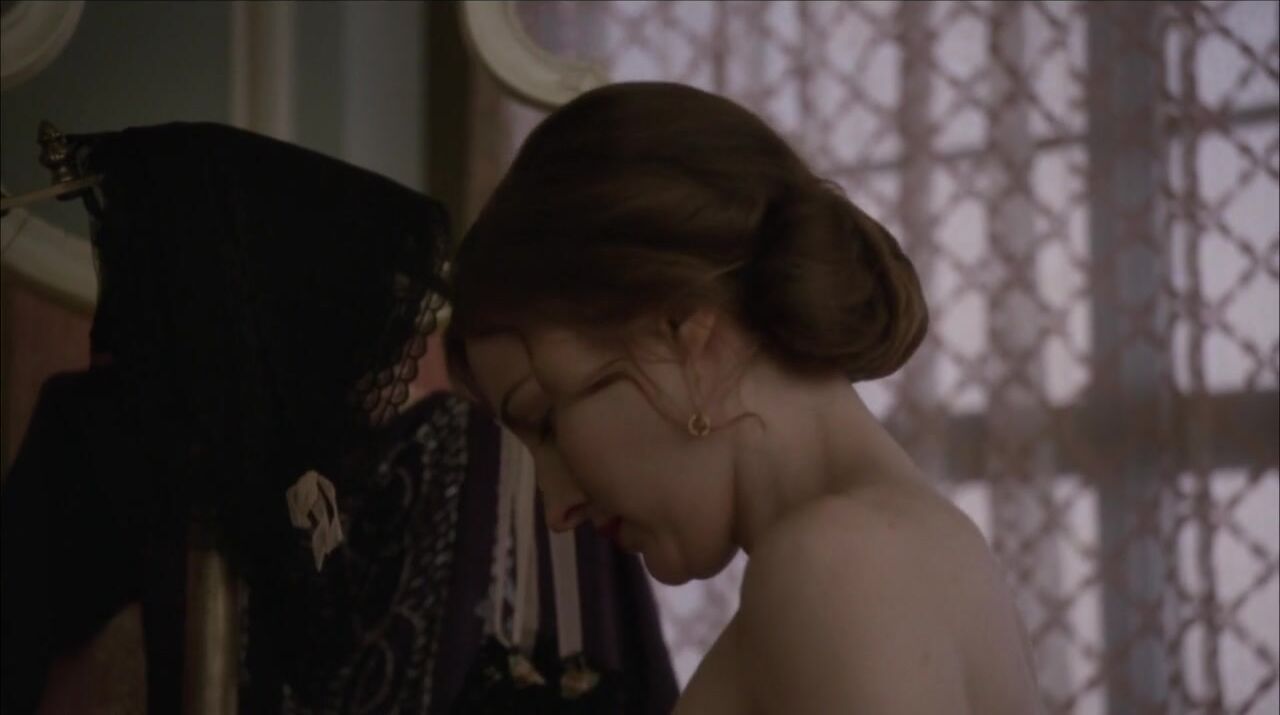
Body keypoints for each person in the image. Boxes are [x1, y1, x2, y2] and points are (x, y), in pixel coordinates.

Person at [444, 81, 1044, 714]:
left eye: (545, 421)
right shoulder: (915, 548)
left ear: (683, 330)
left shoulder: (835, 564)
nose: (556, 509)